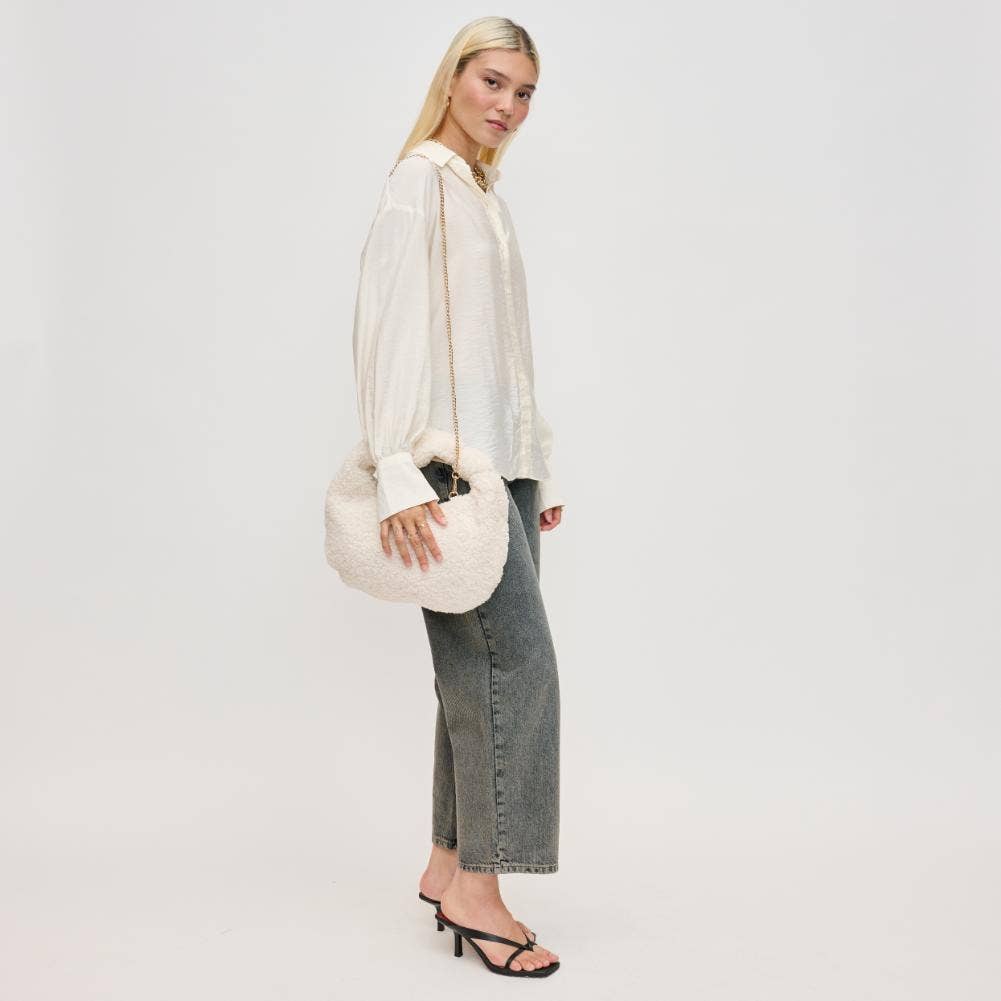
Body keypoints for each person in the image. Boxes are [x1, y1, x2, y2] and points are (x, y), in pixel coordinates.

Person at [351, 16, 565, 978]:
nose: (506, 106)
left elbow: (502, 357)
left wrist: (534, 464)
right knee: (518, 670)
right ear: (451, 78)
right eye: (491, 82)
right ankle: (481, 890)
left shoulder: (483, 195)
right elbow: (385, 333)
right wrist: (397, 471)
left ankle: (447, 862)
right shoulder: (421, 185)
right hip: (444, 469)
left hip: (499, 469)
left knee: (474, 678)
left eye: (523, 93)